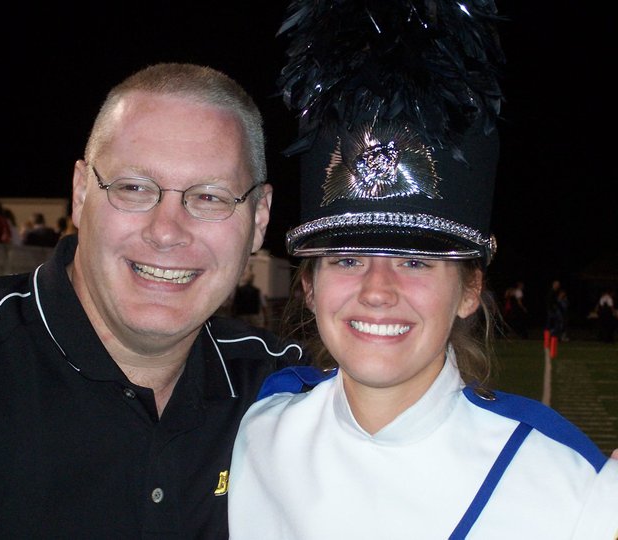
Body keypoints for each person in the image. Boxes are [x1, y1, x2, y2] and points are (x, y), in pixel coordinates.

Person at [229, 2, 618, 538]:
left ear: (470, 289)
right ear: (309, 286)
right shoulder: (256, 431)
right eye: (347, 259)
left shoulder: (574, 491)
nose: (377, 291)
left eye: (415, 261)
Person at [0, 63, 305, 538]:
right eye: (134, 188)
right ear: (80, 193)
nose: (166, 231)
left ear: (259, 218)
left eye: (210, 197)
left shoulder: (281, 388)